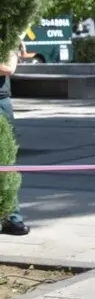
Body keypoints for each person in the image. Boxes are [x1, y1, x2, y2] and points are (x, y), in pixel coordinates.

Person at [0, 46, 29, 236]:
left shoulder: (8, 35)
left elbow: (8, 67)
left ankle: (12, 216)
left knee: (6, 160)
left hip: (0, 102)